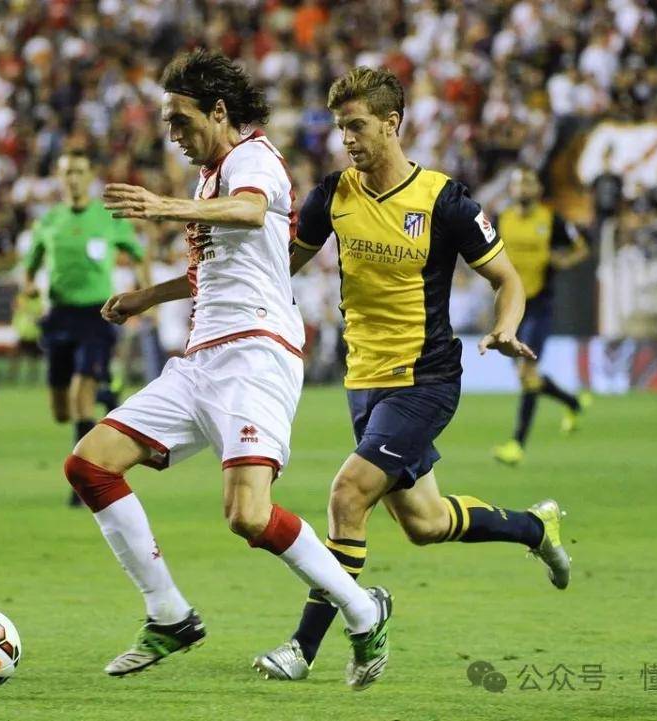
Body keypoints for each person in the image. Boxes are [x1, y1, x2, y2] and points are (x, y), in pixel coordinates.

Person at [64, 49, 391, 689]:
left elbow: (248, 210)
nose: (173, 135)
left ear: (218, 111)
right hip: (201, 358)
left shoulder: (253, 158)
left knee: (248, 515)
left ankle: (362, 610)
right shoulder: (209, 177)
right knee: (89, 464)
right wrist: (147, 297)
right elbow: (213, 268)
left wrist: (161, 207)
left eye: (181, 121)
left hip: (255, 353)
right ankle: (169, 614)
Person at [253, 67, 570, 682]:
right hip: (364, 380)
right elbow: (275, 269)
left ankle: (306, 648)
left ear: (391, 124)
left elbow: (507, 279)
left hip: (425, 378)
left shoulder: (444, 201)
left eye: (357, 126)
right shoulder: (333, 196)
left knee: (348, 495)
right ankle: (536, 527)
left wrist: (506, 326)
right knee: (424, 523)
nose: (346, 139)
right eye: (341, 128)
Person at [23, 148, 146, 506]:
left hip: (97, 314)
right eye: (67, 172)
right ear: (59, 177)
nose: (73, 179)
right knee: (61, 410)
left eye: (79, 172)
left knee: (80, 397)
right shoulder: (49, 221)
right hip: (59, 316)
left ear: (90, 176)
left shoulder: (107, 218)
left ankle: (83, 482)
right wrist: (28, 288)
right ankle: (108, 394)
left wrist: (144, 293)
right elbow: (29, 268)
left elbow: (138, 255)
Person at [492, 166, 590, 466]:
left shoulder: (551, 219)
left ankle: (517, 445)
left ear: (538, 189)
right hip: (511, 305)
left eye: (528, 183)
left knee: (526, 373)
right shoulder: (501, 219)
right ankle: (573, 402)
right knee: (527, 375)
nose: (523, 188)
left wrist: (564, 261)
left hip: (539, 303)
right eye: (518, 183)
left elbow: (581, 247)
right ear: (511, 189)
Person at [9, 285, 43, 385]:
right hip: (21, 333)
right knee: (15, 357)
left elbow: (41, 312)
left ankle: (33, 379)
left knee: (33, 358)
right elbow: (15, 307)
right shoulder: (21, 298)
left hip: (34, 334)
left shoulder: (38, 301)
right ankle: (12, 378)